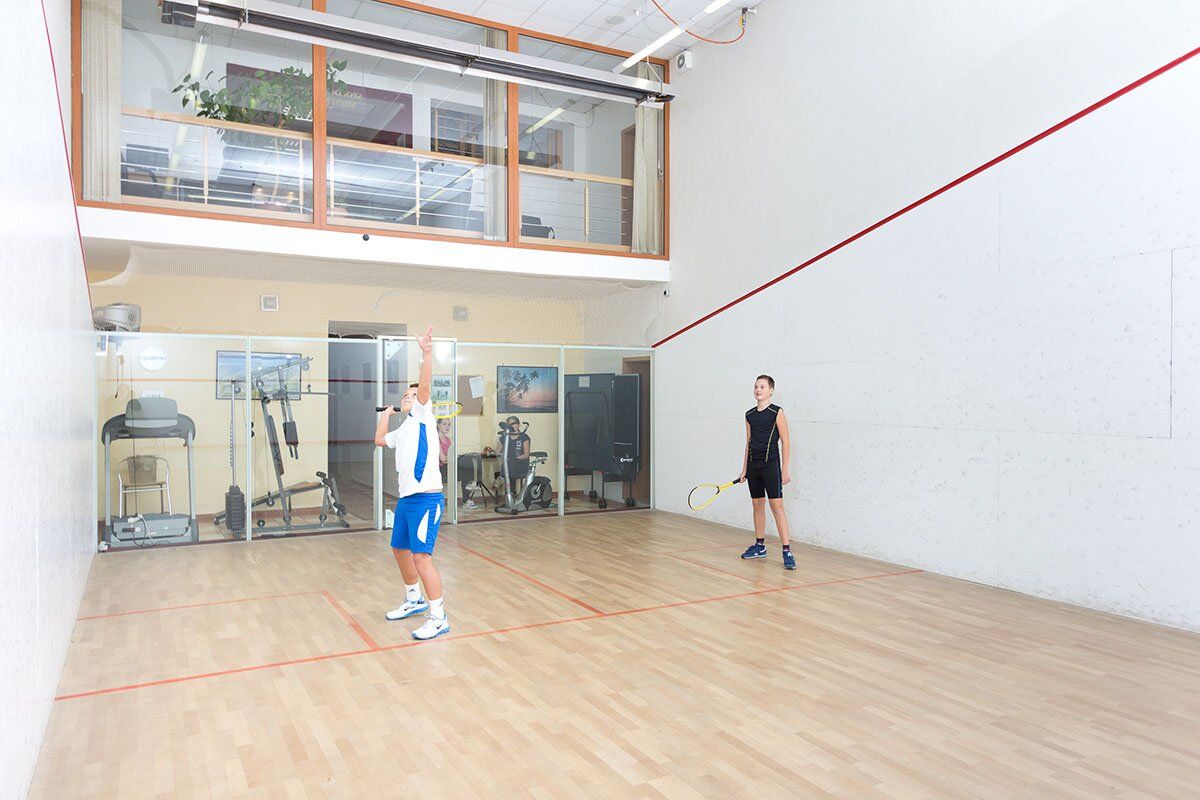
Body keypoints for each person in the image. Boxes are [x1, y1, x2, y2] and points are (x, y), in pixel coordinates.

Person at [374, 325, 450, 640]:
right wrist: (387, 414)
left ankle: (439, 616)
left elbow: (425, 384)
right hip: (406, 500)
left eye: (412, 395)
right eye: (405, 395)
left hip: (426, 499)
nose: (409, 397)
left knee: (421, 557)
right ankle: (413, 599)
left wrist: (426, 353)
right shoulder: (403, 428)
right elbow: (380, 440)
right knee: (399, 550)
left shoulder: (422, 414)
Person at [738, 375, 796, 570]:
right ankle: (760, 546)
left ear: (771, 390)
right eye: (756, 386)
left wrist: (785, 469)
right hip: (753, 466)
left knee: (777, 507)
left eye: (762, 387)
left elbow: (786, 442)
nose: (758, 389)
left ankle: (787, 551)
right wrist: (744, 469)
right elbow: (748, 443)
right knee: (757, 505)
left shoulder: (777, 412)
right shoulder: (749, 415)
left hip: (771, 465)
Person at [501, 415, 530, 495]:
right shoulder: (505, 437)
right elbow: (498, 451)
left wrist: (514, 458)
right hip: (508, 464)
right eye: (509, 424)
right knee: (508, 464)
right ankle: (511, 492)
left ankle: (502, 480)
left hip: (521, 464)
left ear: (518, 425)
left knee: (510, 464)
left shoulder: (524, 437)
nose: (512, 426)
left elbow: (526, 455)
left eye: (514, 423)